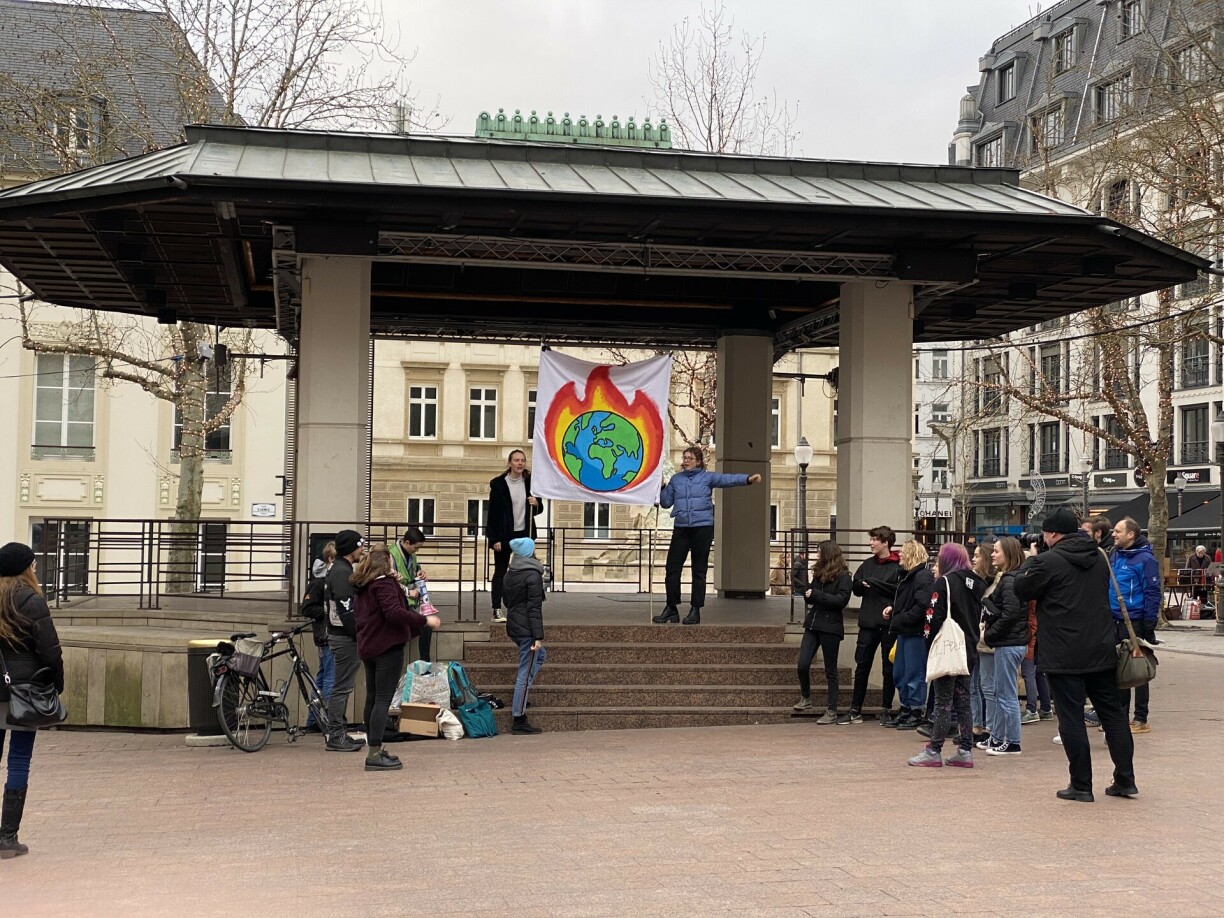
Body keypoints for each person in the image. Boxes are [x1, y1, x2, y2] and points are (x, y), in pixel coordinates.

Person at [1013, 508, 1137, 802]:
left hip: (1063, 653)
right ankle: (1125, 780)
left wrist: (1031, 560)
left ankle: (1081, 785)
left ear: (1053, 534)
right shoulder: (1101, 556)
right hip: (1101, 648)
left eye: (1045, 533)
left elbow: (1021, 589)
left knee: (1071, 718)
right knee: (1114, 716)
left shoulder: (1047, 561)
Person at [0, 542, 63, 859]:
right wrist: (56, 685)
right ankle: (7, 838)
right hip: (24, 693)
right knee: (19, 760)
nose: (36, 568)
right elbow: (50, 651)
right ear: (25, 568)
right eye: (33, 564)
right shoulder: (32, 601)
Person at [352, 545, 440, 771]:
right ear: (385, 563)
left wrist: (398, 585)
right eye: (391, 560)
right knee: (383, 699)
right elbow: (393, 613)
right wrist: (424, 620)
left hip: (369, 646)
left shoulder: (365, 585)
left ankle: (374, 748)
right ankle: (374, 753)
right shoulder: (383, 585)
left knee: (372, 698)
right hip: (386, 647)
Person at [653, 446, 762, 625]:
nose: (686, 460)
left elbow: (727, 480)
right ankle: (671, 608)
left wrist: (747, 479)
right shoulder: (676, 479)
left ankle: (695, 610)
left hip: (702, 528)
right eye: (684, 457)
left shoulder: (706, 477)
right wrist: (662, 486)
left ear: (698, 461)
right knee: (672, 569)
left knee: (699, 570)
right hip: (681, 528)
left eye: (690, 458)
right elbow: (665, 503)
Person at [907, 543, 985, 768]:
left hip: (948, 649)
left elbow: (932, 617)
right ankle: (965, 750)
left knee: (942, 701)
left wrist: (929, 643)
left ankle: (934, 750)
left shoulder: (944, 583)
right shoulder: (976, 583)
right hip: (968, 649)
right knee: (964, 702)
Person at [840, 526, 901, 725]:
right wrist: (860, 584)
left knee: (888, 668)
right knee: (862, 666)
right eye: (871, 539)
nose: (871, 543)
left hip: (888, 624)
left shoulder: (898, 566)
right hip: (867, 622)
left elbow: (899, 591)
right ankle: (855, 709)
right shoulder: (867, 564)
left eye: (875, 539)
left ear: (886, 543)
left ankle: (886, 708)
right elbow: (856, 588)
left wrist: (874, 583)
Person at [1109, 517, 1161, 735]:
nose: (1113, 534)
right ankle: (1120, 718)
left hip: (1134, 621)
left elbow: (1152, 592)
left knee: (1138, 669)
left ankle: (1140, 718)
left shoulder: (1145, 560)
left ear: (1130, 534)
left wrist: (1149, 623)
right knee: (1119, 669)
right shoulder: (1115, 555)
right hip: (1113, 620)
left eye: (1118, 531)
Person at [981, 537, 1028, 756]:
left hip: (1009, 643)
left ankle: (1013, 742)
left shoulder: (1010, 580)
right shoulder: (1013, 578)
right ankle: (998, 737)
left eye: (997, 551)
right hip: (1010, 642)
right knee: (1000, 692)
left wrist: (990, 634)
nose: (993, 554)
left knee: (1007, 694)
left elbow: (1010, 614)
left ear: (1008, 554)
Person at [794, 540, 851, 723]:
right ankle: (806, 697)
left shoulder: (844, 577)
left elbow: (840, 601)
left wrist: (816, 595)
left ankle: (832, 710)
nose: (817, 555)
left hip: (831, 626)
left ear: (827, 554)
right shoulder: (818, 573)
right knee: (802, 664)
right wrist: (808, 594)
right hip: (813, 623)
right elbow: (812, 595)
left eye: (819, 552)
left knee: (830, 669)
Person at [487, 449, 544, 624]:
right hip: (504, 534)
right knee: (500, 571)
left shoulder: (530, 483)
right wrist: (494, 539)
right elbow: (493, 514)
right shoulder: (498, 484)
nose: (520, 463)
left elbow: (538, 509)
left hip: (524, 534)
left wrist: (536, 503)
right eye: (516, 460)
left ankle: (526, 607)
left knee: (528, 571)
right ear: (510, 463)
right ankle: (497, 609)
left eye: (522, 460)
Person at [324, 530, 367, 752]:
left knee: (342, 686)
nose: (363, 549)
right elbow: (345, 609)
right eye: (360, 545)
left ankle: (338, 733)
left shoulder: (340, 569)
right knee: (341, 687)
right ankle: (335, 735)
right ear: (351, 548)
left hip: (341, 635)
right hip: (344, 637)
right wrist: (358, 634)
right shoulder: (342, 572)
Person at [887, 540, 934, 731]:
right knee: (900, 672)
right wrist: (894, 611)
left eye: (903, 552)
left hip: (915, 631)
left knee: (914, 673)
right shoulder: (909, 576)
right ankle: (906, 708)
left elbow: (922, 605)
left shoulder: (921, 576)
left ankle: (915, 710)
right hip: (905, 630)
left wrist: (900, 618)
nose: (900, 555)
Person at [503, 537, 547, 735]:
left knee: (541, 656)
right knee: (524, 671)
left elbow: (506, 601)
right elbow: (534, 608)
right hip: (527, 629)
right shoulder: (533, 575)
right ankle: (519, 718)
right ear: (530, 553)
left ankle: (521, 696)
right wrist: (538, 636)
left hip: (514, 625)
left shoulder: (510, 573)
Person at [299, 542, 336, 734]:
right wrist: (328, 611)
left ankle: (313, 719)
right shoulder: (319, 583)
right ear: (331, 559)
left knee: (322, 678)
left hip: (324, 635)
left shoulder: (325, 580)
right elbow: (306, 608)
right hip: (326, 635)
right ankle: (329, 720)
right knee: (330, 677)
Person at [390, 528, 432, 662]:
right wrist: (408, 592)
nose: (417, 550)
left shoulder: (411, 553)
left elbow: (414, 569)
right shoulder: (391, 555)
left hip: (409, 601)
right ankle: (424, 662)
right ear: (407, 542)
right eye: (416, 547)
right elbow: (389, 582)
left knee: (425, 624)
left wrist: (420, 572)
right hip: (398, 601)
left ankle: (424, 661)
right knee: (425, 625)